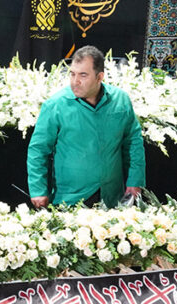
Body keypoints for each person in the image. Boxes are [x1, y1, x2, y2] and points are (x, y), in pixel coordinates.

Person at [26, 45, 145, 208]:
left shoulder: (120, 100)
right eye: (72, 74)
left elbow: (133, 142)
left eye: (83, 75)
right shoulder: (55, 105)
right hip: (70, 199)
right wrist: (38, 190)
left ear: (99, 77)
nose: (75, 81)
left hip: (112, 197)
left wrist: (135, 181)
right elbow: (38, 150)